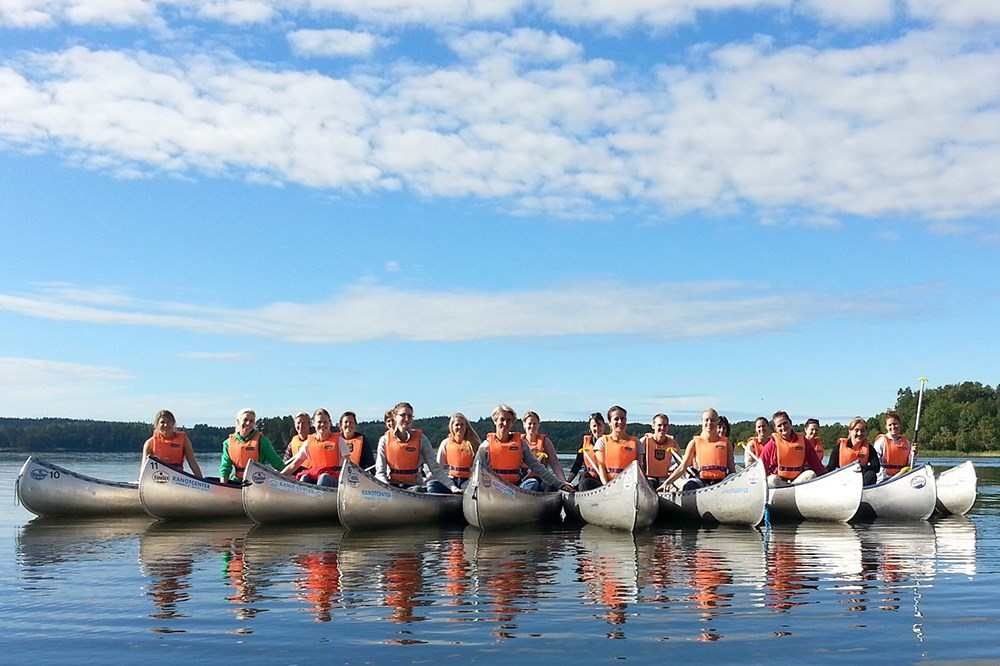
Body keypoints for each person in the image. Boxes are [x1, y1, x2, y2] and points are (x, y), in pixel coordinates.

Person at [477, 403, 575, 492]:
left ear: (512, 423)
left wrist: (560, 484)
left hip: (515, 488)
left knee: (532, 483)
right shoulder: (485, 446)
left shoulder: (521, 444)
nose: (505, 423)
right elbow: (476, 471)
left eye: (509, 420)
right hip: (494, 487)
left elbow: (538, 467)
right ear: (495, 420)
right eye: (502, 419)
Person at [375, 402, 461, 494]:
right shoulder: (384, 440)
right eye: (403, 415)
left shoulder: (421, 439)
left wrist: (452, 487)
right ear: (395, 417)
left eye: (410, 416)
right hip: (392, 485)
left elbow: (435, 468)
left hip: (414, 486)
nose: (406, 419)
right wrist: (387, 488)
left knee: (417, 490)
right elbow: (380, 472)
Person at [659, 408, 735, 491]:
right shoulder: (694, 443)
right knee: (689, 486)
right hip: (701, 481)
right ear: (701, 421)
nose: (709, 423)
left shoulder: (727, 444)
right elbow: (682, 467)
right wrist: (667, 483)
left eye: (712, 420)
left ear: (717, 422)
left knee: (732, 477)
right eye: (706, 420)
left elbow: (731, 470)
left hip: (721, 482)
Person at [281, 409, 349, 487]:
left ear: (330, 423)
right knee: (304, 478)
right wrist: (278, 476)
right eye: (319, 422)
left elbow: (348, 465)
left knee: (324, 477)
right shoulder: (308, 443)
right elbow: (294, 465)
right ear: (313, 423)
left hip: (335, 479)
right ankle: (306, 497)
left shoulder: (340, 441)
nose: (322, 425)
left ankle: (318, 496)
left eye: (325, 422)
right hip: (317, 476)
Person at [759, 411, 826, 487]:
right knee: (772, 479)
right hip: (778, 483)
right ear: (775, 428)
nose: (783, 427)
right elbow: (760, 466)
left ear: (790, 423)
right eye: (779, 426)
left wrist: (827, 478)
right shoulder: (772, 444)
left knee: (811, 474)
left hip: (796, 482)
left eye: (785, 423)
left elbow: (816, 464)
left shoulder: (803, 441)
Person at [220, 408, 284, 482]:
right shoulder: (228, 443)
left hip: (258, 482)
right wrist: (223, 485)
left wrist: (291, 477)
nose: (248, 423)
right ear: (238, 421)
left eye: (251, 421)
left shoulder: (262, 441)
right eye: (245, 420)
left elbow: (276, 462)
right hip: (238, 482)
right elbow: (225, 467)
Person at [430, 412, 481, 493]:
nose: (459, 427)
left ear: (466, 426)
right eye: (457, 425)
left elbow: (479, 468)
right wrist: (426, 479)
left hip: (468, 481)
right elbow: (438, 466)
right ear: (452, 427)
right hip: (451, 480)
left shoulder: (474, 444)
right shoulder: (446, 443)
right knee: (431, 485)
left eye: (462, 425)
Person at [142, 409, 203, 477]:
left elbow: (193, 464)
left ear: (173, 423)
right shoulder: (149, 443)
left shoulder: (184, 440)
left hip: (177, 479)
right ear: (157, 425)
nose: (165, 425)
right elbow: (144, 469)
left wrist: (202, 481)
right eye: (162, 422)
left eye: (168, 421)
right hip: (158, 478)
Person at [594, 405, 644, 484]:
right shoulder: (602, 442)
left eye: (623, 419)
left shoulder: (637, 443)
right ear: (610, 423)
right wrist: (607, 486)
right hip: (608, 484)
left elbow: (639, 469)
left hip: (628, 484)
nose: (620, 422)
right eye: (616, 419)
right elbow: (601, 468)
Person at [519, 410, 567, 492]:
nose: (532, 426)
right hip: (523, 480)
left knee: (551, 485)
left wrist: (563, 481)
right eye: (529, 424)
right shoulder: (518, 442)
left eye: (535, 424)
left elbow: (555, 463)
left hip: (541, 478)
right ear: (524, 424)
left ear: (538, 425)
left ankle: (548, 502)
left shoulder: (545, 441)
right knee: (532, 484)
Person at [826, 417, 879, 485]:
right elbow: (830, 467)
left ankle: (866, 493)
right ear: (850, 431)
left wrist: (859, 467)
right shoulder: (839, 446)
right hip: (843, 480)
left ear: (866, 432)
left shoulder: (869, 448)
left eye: (862, 431)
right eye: (856, 430)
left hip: (860, 481)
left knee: (871, 474)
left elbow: (876, 467)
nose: (859, 433)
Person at [567, 412, 606, 490]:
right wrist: (567, 482)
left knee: (585, 482)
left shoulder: (608, 442)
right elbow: (577, 464)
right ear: (590, 428)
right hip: (589, 477)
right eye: (594, 426)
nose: (597, 428)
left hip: (604, 481)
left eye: (599, 425)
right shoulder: (585, 442)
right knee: (584, 476)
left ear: (604, 426)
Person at [872, 410, 915, 482]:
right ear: (886, 427)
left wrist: (914, 453)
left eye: (895, 424)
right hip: (884, 478)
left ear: (899, 424)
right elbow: (876, 461)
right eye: (890, 425)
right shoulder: (882, 441)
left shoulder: (906, 442)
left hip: (902, 477)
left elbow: (911, 463)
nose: (893, 427)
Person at [641, 413, 678, 488]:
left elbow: (681, 463)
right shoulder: (645, 440)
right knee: (652, 484)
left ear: (668, 427)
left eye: (665, 425)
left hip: (665, 478)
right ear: (653, 426)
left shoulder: (672, 442)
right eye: (659, 425)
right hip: (648, 478)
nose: (662, 428)